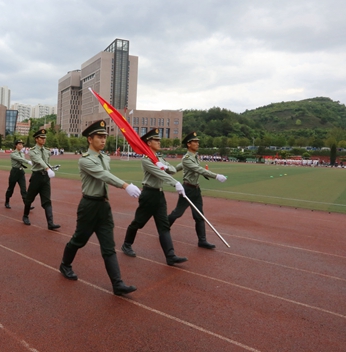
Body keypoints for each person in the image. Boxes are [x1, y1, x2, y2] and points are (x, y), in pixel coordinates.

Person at [59, 120, 140, 296]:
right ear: (90, 139)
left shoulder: (105, 157)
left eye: (105, 137)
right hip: (89, 206)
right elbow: (103, 175)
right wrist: (125, 185)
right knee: (79, 240)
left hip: (103, 206)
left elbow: (106, 174)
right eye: (99, 137)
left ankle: (117, 284)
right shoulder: (85, 160)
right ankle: (65, 265)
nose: (103, 140)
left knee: (108, 246)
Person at [121, 128, 188, 265]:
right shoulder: (146, 160)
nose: (159, 142)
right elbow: (160, 174)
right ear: (149, 143)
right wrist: (175, 183)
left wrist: (165, 166)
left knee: (164, 226)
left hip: (159, 195)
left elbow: (172, 169)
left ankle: (170, 255)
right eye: (156, 140)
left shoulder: (159, 158)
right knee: (138, 222)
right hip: (149, 195)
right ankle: (127, 244)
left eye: (159, 140)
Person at [167, 132, 227, 249]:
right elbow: (199, 169)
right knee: (178, 213)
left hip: (196, 189)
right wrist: (216, 176)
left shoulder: (194, 157)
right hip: (187, 190)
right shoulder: (187, 158)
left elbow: (178, 167)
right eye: (195, 142)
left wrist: (170, 171)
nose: (197, 143)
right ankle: (163, 229)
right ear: (188, 144)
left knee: (199, 215)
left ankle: (202, 240)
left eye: (197, 141)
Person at [22, 129, 60, 230]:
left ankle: (50, 223)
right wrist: (48, 169)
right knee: (29, 198)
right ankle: (25, 216)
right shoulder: (32, 151)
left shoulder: (46, 151)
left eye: (44, 138)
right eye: (41, 138)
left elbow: (46, 162)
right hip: (36, 177)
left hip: (45, 178)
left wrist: (51, 167)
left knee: (47, 200)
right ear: (36, 139)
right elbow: (39, 161)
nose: (44, 140)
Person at [5, 139, 31, 209]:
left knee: (24, 189)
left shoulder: (22, 153)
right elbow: (20, 159)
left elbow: (22, 161)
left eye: (22, 144)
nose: (21, 145)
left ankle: (27, 204)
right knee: (11, 188)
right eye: (19, 144)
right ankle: (7, 201)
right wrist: (28, 162)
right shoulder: (13, 153)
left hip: (21, 172)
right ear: (16, 145)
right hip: (14, 172)